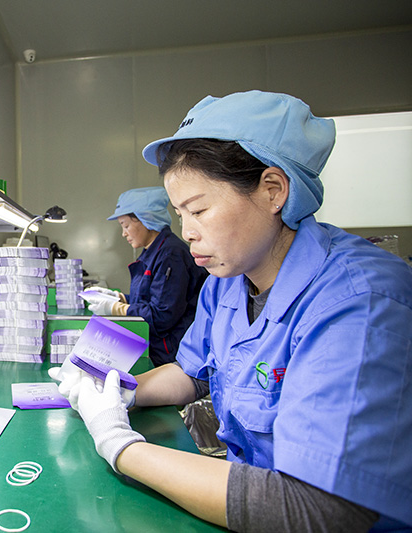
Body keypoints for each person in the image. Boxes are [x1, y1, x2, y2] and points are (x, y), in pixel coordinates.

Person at [51, 91, 412, 531]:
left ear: (273, 190)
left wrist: (119, 444)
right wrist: (118, 392)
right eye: (180, 215)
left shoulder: (360, 302)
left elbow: (316, 508)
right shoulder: (226, 281)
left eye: (199, 210)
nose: (188, 233)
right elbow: (193, 373)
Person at [83, 186, 207, 366]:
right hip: (157, 347)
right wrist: (119, 298)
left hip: (171, 353)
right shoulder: (153, 251)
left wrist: (117, 308)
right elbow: (150, 297)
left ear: (146, 219)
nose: (124, 233)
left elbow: (162, 315)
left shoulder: (171, 255)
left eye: (126, 226)